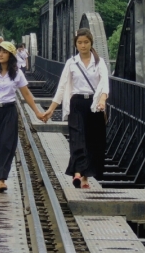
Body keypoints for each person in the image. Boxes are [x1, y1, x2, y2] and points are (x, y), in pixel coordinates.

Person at [42, 28, 109, 189]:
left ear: (91, 43)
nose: (83, 45)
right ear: (75, 44)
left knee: (93, 141)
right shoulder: (71, 63)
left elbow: (105, 83)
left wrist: (102, 100)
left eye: (86, 42)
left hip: (94, 105)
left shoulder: (99, 62)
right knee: (77, 137)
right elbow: (62, 86)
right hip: (77, 103)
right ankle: (78, 172)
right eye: (80, 42)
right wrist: (52, 108)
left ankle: (85, 177)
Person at [0, 41, 45, 192]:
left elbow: (26, 93)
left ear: (11, 55)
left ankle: (1, 179)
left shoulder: (17, 73)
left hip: (9, 111)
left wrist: (37, 112)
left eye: (4, 52)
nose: (0, 54)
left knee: (7, 144)